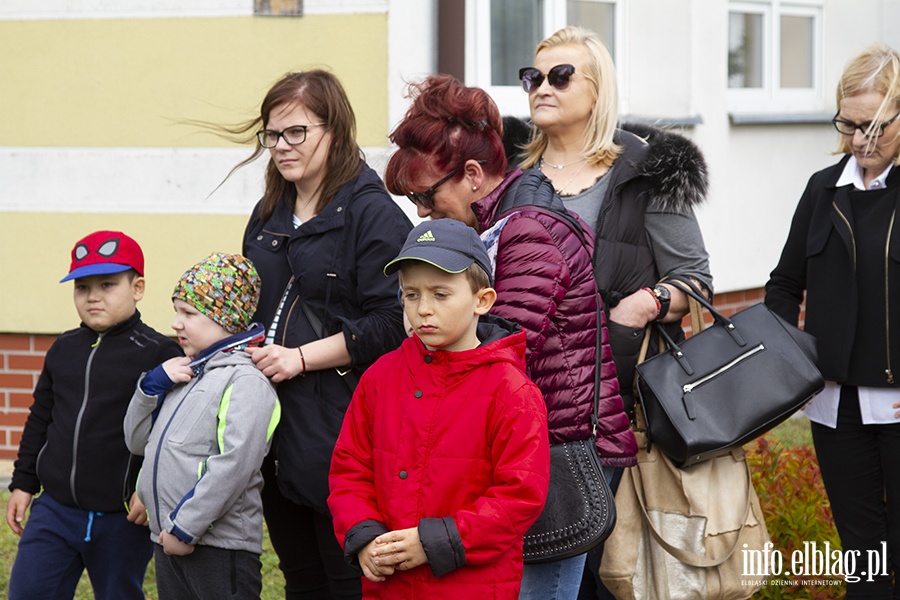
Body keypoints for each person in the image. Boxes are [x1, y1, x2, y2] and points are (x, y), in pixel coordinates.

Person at [383, 73, 633, 600]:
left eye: (426, 196)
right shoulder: (501, 223)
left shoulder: (527, 229)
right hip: (538, 450)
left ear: (473, 174)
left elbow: (503, 345)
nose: (422, 212)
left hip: (561, 455)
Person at [513, 26, 713, 599]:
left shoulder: (646, 173)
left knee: (575, 564)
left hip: (604, 403)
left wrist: (641, 306)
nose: (541, 87)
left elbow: (696, 282)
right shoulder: (515, 180)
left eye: (560, 75)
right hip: (520, 400)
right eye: (533, 76)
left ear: (597, 92)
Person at [228, 70, 413, 599]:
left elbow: (393, 323)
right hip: (272, 419)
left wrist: (300, 358)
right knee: (300, 577)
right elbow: (252, 306)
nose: (281, 147)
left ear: (334, 129)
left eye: (296, 132)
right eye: (272, 134)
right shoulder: (269, 212)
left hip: (344, 425)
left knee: (345, 579)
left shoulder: (372, 214)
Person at [328, 218, 551, 599]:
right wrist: (364, 535)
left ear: (482, 300)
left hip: (470, 587)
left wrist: (433, 542)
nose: (423, 309)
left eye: (440, 294)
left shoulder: (512, 392)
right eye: (410, 294)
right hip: (389, 586)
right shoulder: (380, 378)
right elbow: (350, 469)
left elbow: (519, 496)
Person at [765, 44, 900, 598]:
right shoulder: (822, 189)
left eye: (875, 125)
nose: (861, 139)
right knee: (864, 558)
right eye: (849, 124)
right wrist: (781, 360)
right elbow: (783, 284)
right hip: (835, 405)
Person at [5, 230, 183, 600]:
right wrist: (23, 482)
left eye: (107, 284)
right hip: (54, 511)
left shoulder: (158, 354)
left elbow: (170, 434)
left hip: (121, 518)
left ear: (138, 287)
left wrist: (149, 490)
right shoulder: (63, 349)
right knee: (28, 592)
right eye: (82, 287)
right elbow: (41, 417)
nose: (93, 297)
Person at [124, 252, 280, 600]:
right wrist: (150, 387)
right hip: (167, 539)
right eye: (177, 310)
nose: (176, 323)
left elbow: (234, 464)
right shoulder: (183, 374)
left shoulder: (245, 382)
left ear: (228, 319)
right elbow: (137, 442)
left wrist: (185, 528)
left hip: (218, 548)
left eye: (189, 313)